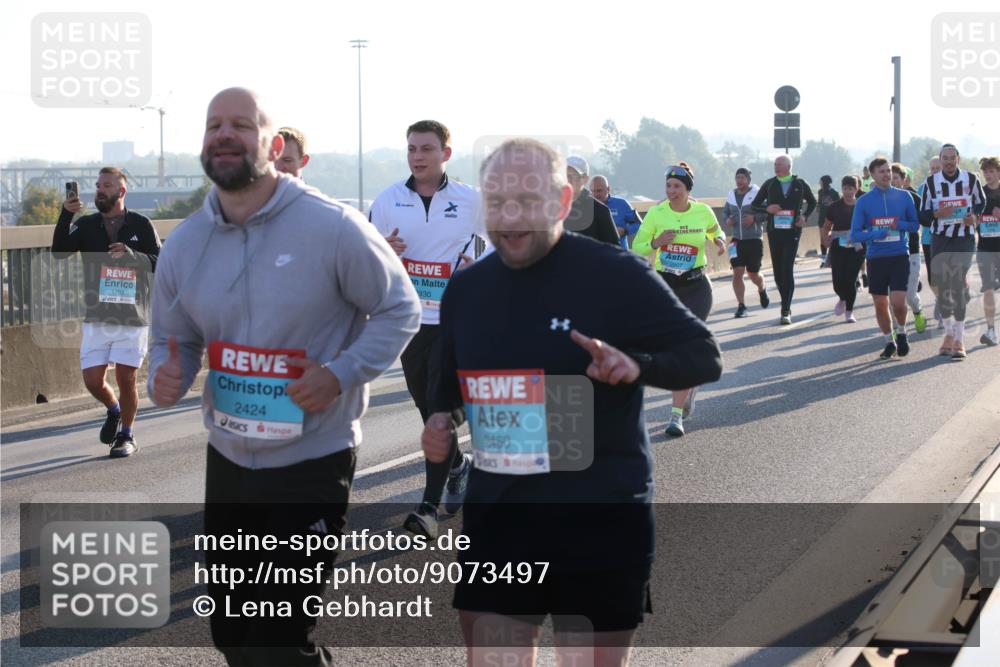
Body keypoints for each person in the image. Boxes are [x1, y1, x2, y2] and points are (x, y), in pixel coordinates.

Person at [421, 138, 722, 667]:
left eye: (526, 201)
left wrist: (636, 365)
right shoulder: (467, 290)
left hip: (599, 518)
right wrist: (442, 419)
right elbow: (451, 386)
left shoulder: (616, 274)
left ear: (563, 202)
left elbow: (703, 356)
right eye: (498, 202)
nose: (510, 217)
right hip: (500, 520)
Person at [148, 87, 421, 666]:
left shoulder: (333, 227)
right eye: (214, 125)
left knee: (275, 643)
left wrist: (339, 374)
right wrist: (168, 373)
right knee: (232, 637)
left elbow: (400, 309)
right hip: (229, 460)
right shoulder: (186, 243)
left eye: (241, 125)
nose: (225, 134)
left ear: (274, 147)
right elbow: (174, 338)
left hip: (313, 459)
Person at [368, 120, 487, 539]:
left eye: (426, 149)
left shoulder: (471, 200)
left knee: (438, 411)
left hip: (454, 321)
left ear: (445, 154)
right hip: (410, 321)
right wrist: (384, 249)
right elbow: (365, 254)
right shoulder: (388, 200)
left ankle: (428, 509)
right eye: (411, 149)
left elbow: (500, 243)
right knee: (425, 407)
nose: (417, 156)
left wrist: (479, 265)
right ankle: (459, 466)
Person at [51, 167, 161, 457]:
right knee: (92, 381)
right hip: (98, 315)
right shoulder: (87, 225)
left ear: (121, 191)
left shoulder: (141, 224)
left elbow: (161, 261)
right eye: (98, 185)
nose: (100, 190)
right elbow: (59, 251)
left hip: (132, 316)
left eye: (107, 186)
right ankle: (113, 409)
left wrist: (132, 255)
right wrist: (66, 215)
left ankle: (127, 435)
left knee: (126, 378)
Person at [632, 162, 726, 436]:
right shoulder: (656, 213)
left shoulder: (702, 211)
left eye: (676, 186)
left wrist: (719, 241)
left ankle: (675, 417)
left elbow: (716, 230)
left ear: (687, 190)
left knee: (686, 347)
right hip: (666, 286)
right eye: (668, 186)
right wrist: (656, 242)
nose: (671, 191)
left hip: (697, 286)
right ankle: (690, 384)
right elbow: (637, 248)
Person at [918, 143, 986, 360]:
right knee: (943, 287)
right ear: (940, 160)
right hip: (940, 239)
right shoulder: (931, 183)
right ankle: (948, 333)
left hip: (964, 239)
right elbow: (923, 215)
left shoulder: (970, 179)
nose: (948, 162)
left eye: (951, 158)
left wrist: (974, 217)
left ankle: (959, 339)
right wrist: (938, 214)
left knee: (955, 285)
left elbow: (981, 202)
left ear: (958, 159)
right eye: (944, 158)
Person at [850, 157, 920, 359]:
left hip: (899, 255)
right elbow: (855, 234)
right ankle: (889, 341)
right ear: (872, 175)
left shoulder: (904, 196)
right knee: (880, 304)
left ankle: (902, 332)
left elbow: (915, 225)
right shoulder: (863, 202)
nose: (887, 174)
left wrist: (900, 225)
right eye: (881, 171)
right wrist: (874, 234)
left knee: (898, 302)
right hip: (876, 258)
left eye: (888, 170)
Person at [750, 155, 817, 324]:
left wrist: (804, 216)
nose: (776, 167)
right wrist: (768, 208)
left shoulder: (800, 184)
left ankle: (785, 310)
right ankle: (784, 299)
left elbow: (812, 202)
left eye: (779, 164)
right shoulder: (770, 184)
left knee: (787, 269)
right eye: (775, 164)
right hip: (775, 232)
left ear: (788, 166)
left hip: (792, 231)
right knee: (778, 273)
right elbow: (755, 205)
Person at [722, 167, 769, 317]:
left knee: (753, 274)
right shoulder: (731, 195)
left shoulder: (757, 193)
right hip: (736, 241)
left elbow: (767, 212)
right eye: (737, 178)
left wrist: (754, 218)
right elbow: (725, 213)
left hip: (754, 239)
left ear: (748, 180)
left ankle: (762, 288)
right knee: (737, 273)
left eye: (742, 178)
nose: (739, 181)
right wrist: (727, 220)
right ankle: (741, 306)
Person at [821, 176, 865, 323]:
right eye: (845, 188)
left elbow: (869, 226)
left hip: (857, 247)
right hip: (838, 246)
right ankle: (842, 298)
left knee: (850, 279)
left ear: (856, 189)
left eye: (851, 189)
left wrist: (861, 235)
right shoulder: (834, 207)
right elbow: (826, 226)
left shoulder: (862, 206)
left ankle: (849, 311)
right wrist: (825, 239)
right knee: (838, 281)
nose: (847, 192)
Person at [891, 163, 927, 333]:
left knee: (910, 295)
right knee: (893, 296)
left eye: (896, 178)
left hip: (910, 251)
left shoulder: (913, 198)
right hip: (888, 253)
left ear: (903, 179)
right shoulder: (880, 199)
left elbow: (924, 220)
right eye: (889, 178)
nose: (892, 181)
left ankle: (918, 312)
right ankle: (897, 330)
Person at [564, 155, 621, 245]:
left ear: (585, 179)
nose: (568, 180)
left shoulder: (600, 211)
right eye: (565, 175)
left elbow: (613, 248)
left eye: (574, 175)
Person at [977, 156, 1000, 346]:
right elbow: (971, 217)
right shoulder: (980, 194)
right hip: (985, 249)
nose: (988, 175)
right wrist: (975, 220)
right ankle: (991, 330)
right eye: (985, 172)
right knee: (988, 288)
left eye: (991, 171)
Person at [918, 157, 944, 327]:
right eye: (932, 168)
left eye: (937, 168)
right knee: (933, 275)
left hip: (948, 236)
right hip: (928, 238)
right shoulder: (923, 187)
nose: (935, 171)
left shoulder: (951, 186)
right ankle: (939, 299)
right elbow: (920, 213)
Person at [590, 174, 642, 250]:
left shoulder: (621, 204)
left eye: (599, 191)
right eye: (593, 191)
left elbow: (638, 224)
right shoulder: (586, 207)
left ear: (608, 189)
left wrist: (625, 230)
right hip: (595, 253)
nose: (595, 194)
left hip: (619, 253)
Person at [816, 175, 839, 265]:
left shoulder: (834, 193)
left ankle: (833, 259)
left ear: (824, 182)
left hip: (833, 218)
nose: (819, 183)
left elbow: (838, 205)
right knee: (823, 240)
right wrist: (818, 207)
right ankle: (823, 260)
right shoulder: (820, 192)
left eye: (821, 181)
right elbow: (819, 204)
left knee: (832, 239)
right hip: (822, 218)